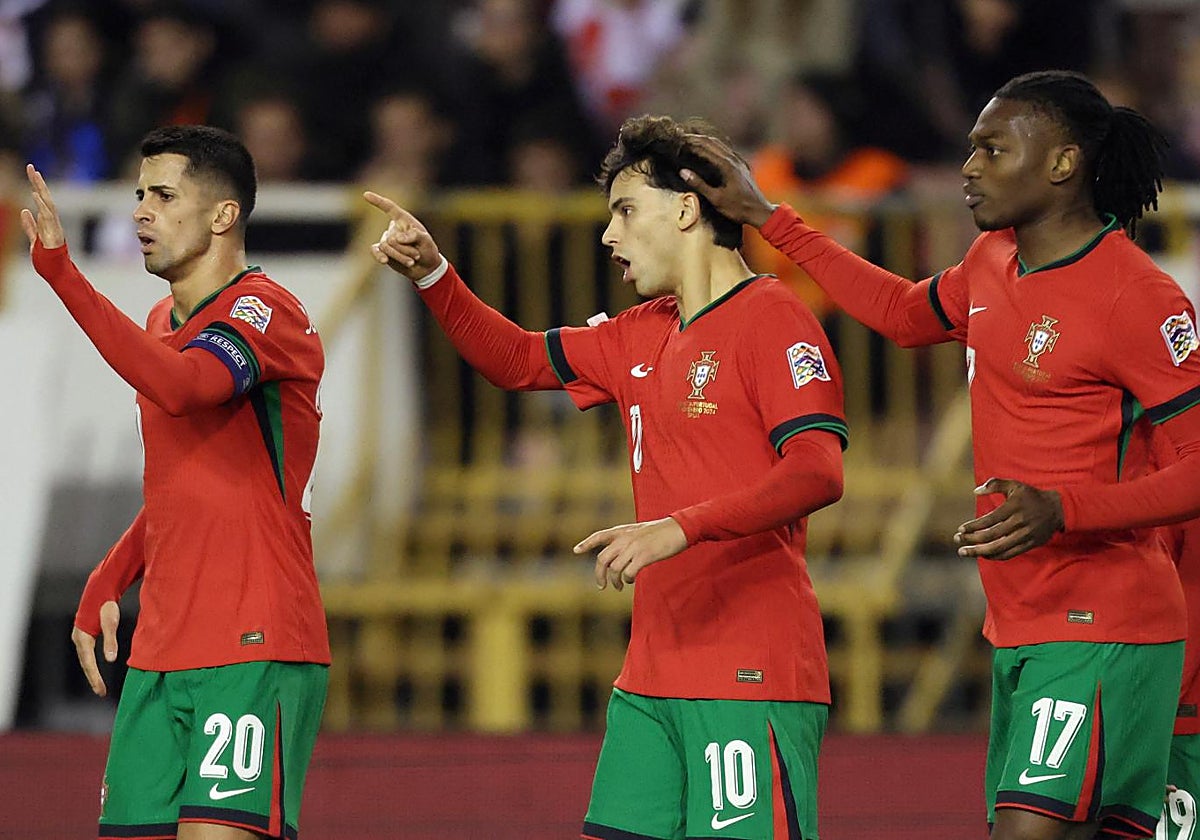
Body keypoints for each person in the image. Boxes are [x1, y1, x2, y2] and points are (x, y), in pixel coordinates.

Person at [681, 69, 1200, 840]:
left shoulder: (1138, 297)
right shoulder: (992, 260)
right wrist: (766, 215)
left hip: (1106, 618)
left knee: (1029, 830)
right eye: (970, 149)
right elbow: (900, 311)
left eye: (992, 149)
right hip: (1024, 620)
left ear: (1062, 164)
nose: (969, 167)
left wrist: (1065, 508)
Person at [366, 114, 849, 839]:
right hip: (650, 678)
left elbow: (817, 472)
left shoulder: (776, 320)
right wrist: (435, 273)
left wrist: (679, 527)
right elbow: (519, 361)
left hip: (752, 671)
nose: (608, 236)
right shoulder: (638, 331)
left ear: (687, 209)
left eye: (625, 211)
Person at [21, 125, 329, 840]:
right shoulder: (163, 319)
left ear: (224, 215)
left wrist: (66, 275)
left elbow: (185, 386)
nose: (140, 212)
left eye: (163, 195)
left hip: (254, 642)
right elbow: (180, 483)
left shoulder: (266, 312)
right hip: (160, 650)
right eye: (137, 195)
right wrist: (112, 575)